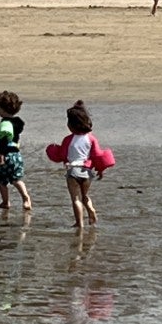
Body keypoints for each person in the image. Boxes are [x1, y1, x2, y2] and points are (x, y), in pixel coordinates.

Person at [56, 100, 100, 234]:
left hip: (73, 171)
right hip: (87, 172)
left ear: (71, 125)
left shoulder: (68, 140)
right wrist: (98, 168)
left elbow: (62, 154)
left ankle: (79, 223)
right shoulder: (91, 139)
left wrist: (54, 152)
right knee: (85, 195)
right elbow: (96, 154)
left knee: (75, 198)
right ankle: (91, 210)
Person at [0, 89, 32, 215]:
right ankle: (25, 199)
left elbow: (3, 141)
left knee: (2, 181)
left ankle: (6, 201)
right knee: (16, 179)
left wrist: (1, 156)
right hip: (16, 155)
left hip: (6, 155)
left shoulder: (5, 124)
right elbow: (10, 136)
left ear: (2, 109)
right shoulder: (16, 123)